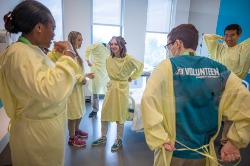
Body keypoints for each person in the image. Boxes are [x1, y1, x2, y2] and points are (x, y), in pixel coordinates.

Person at [141, 24, 250, 166]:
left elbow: (148, 99)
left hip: (173, 150)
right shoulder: (218, 68)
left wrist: (159, 137)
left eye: (169, 46)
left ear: (178, 43)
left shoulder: (166, 66)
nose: (169, 50)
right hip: (204, 154)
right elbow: (245, 103)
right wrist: (235, 141)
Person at [0, 1, 79, 165]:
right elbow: (51, 90)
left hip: (43, 132)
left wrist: (58, 59)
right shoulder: (20, 53)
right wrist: (69, 54)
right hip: (36, 137)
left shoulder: (30, 50)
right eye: (53, 28)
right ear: (39, 28)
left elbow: (40, 76)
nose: (54, 35)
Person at [204, 24, 250, 154]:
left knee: (229, 117)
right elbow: (207, 37)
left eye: (232, 35)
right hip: (215, 84)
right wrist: (221, 38)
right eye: (226, 35)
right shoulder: (219, 48)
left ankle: (225, 142)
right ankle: (206, 139)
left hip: (233, 86)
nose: (229, 38)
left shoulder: (243, 49)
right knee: (211, 113)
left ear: (239, 35)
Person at [92, 36, 144, 151]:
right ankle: (103, 137)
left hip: (122, 88)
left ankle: (119, 140)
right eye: (112, 44)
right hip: (111, 88)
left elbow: (140, 66)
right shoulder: (108, 59)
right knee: (104, 111)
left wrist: (132, 77)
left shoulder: (128, 58)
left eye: (116, 44)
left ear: (121, 46)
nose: (113, 46)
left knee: (120, 114)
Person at [48, 31, 94, 147]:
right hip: (71, 90)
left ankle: (77, 131)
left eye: (82, 40)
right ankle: (72, 138)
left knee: (79, 111)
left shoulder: (75, 54)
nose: (81, 42)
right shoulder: (66, 55)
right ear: (72, 40)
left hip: (78, 89)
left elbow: (78, 72)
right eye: (79, 40)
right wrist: (81, 78)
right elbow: (69, 73)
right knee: (73, 114)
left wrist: (85, 76)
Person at [84, 42, 110, 118]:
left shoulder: (111, 51)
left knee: (107, 92)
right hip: (96, 72)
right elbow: (88, 49)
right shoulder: (98, 45)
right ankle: (95, 110)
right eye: (112, 45)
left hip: (105, 73)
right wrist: (87, 60)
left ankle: (107, 111)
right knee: (95, 92)